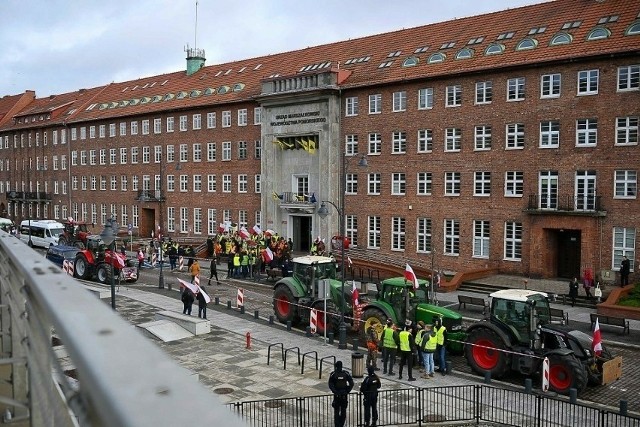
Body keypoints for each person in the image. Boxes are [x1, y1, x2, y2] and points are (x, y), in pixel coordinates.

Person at [328, 360, 354, 427]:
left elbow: (330, 384)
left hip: (337, 395)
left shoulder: (333, 374)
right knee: (343, 411)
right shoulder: (346, 373)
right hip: (344, 395)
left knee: (336, 411)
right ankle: (341, 424)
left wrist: (335, 391)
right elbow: (351, 383)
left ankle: (337, 425)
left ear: (336, 366)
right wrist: (347, 390)